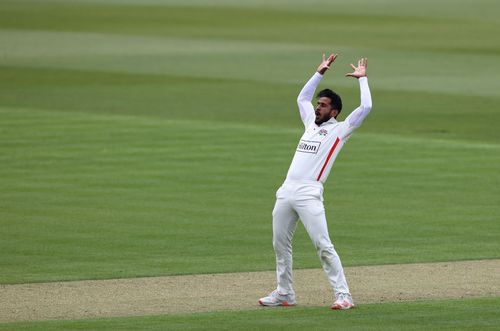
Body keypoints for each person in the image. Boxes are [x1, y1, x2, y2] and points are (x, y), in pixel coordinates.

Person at [258, 54, 372, 310]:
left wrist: (362, 79)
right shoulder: (310, 123)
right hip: (286, 190)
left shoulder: (340, 130)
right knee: (280, 244)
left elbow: (365, 108)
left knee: (323, 245)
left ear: (334, 111)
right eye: (318, 103)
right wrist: (319, 72)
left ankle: (344, 296)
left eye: (322, 105)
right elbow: (301, 98)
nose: (317, 107)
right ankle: (285, 293)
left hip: (309, 193)